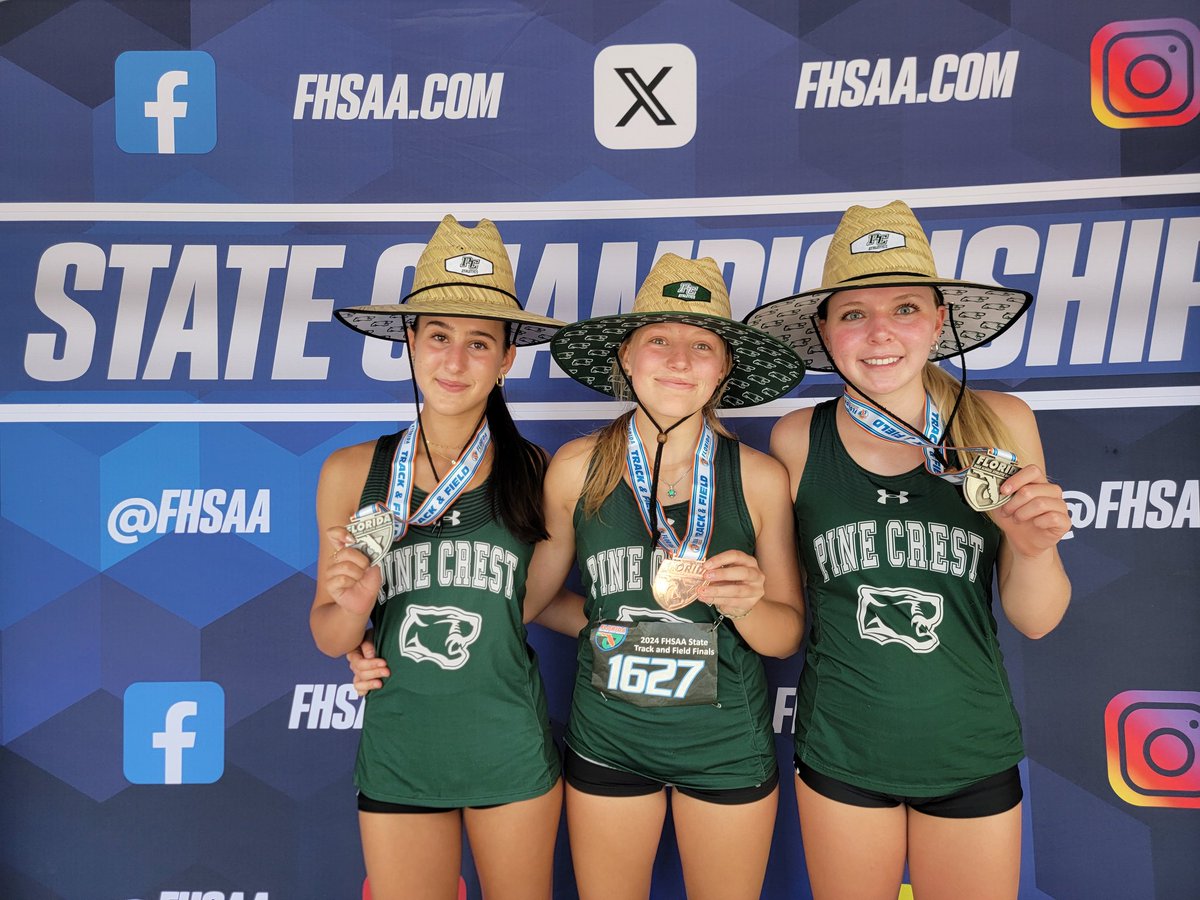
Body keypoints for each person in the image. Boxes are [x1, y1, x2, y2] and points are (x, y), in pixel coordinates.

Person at [746, 200, 1072, 900]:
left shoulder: (1003, 422)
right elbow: (789, 616)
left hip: (969, 746)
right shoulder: (798, 438)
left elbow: (1037, 618)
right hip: (843, 748)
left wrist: (1035, 548)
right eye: (853, 313)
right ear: (825, 331)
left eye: (904, 308)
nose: (879, 333)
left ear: (939, 321)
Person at [530, 253, 807, 900]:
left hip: (726, 745)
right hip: (608, 742)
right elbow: (533, 600)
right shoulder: (577, 467)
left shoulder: (760, 479)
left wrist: (746, 604)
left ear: (725, 368)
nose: (679, 359)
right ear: (627, 356)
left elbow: (785, 637)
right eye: (659, 339)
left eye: (702, 344)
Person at [311, 215, 567, 900]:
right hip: (402, 751)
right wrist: (354, 613)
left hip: (508, 748)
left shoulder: (536, 471)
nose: (455, 362)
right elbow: (329, 632)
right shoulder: (349, 471)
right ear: (410, 342)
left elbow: (535, 605)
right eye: (438, 336)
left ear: (509, 357)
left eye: (479, 343)